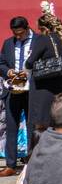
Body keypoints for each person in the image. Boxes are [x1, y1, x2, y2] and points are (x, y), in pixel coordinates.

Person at [26, 9, 62, 137]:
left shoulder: (44, 40)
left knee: (40, 126)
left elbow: (29, 63)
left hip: (44, 90)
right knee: (59, 125)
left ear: (44, 28)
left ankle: (38, 155)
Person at [0, 16, 33, 174]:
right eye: (15, 34)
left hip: (31, 90)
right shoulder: (8, 43)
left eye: (20, 33)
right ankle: (11, 165)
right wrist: (8, 71)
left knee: (32, 126)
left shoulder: (38, 41)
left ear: (27, 28)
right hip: (13, 90)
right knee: (11, 127)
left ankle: (33, 162)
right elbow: (1, 63)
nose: (18, 37)